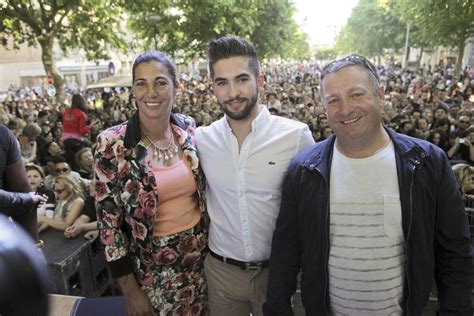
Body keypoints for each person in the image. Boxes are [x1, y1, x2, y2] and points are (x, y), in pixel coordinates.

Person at [264, 54, 472, 315]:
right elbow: (286, 252)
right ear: (324, 108)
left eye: (356, 95)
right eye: (333, 100)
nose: (346, 109)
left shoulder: (428, 163)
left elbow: (455, 253)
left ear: (380, 95)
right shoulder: (304, 170)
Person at [195, 37, 314, 316]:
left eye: (241, 79)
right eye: (222, 82)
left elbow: (314, 209)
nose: (232, 92)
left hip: (277, 274)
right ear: (213, 88)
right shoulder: (201, 139)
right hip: (221, 273)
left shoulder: (296, 136)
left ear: (260, 81)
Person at [94, 50, 209, 315]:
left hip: (202, 264)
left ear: (176, 87)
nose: (151, 92)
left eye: (160, 82)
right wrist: (131, 291)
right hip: (152, 274)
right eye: (141, 83)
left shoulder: (187, 129)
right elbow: (108, 225)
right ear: (133, 90)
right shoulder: (112, 143)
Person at [0, 124, 45, 240]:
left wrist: (34, 246)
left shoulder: (3, 134)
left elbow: (22, 189)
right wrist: (27, 199)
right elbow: (25, 196)